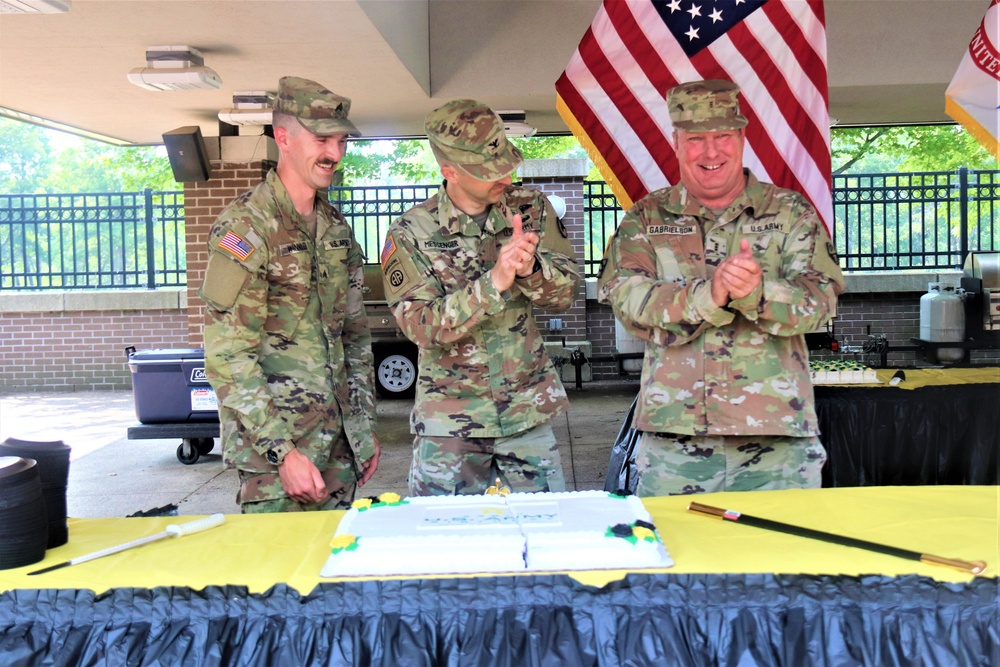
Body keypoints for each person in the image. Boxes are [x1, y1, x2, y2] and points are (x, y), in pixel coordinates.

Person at [598, 79, 844, 496]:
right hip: (675, 440)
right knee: (678, 558)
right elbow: (626, 298)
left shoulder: (789, 212)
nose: (711, 152)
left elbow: (821, 301)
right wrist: (706, 296)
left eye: (722, 136)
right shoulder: (645, 218)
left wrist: (756, 294)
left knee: (781, 559)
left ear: (742, 138)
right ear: (676, 142)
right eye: (696, 139)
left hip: (776, 438)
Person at [381, 99, 580, 496]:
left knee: (545, 541)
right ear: (449, 171)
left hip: (527, 415)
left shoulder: (532, 209)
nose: (505, 177)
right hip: (449, 426)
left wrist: (532, 270)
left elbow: (566, 294)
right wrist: (494, 281)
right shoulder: (410, 233)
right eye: (489, 171)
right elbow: (420, 326)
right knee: (448, 548)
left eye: (506, 163)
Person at [199, 76, 380, 513]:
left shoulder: (336, 228)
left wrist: (363, 425)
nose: (334, 154)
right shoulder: (246, 228)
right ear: (283, 138)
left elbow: (353, 338)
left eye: (341, 142)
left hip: (339, 448)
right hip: (275, 460)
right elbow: (228, 356)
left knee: (334, 573)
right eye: (322, 140)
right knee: (275, 577)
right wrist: (283, 453)